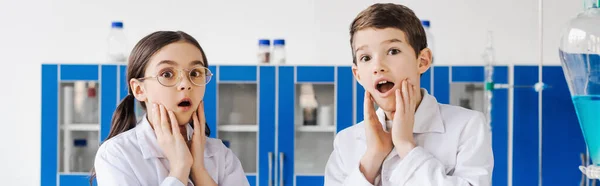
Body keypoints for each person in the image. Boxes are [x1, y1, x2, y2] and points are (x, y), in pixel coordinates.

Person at [324, 3, 494, 186]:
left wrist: (406, 146)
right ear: (358, 75)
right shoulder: (346, 142)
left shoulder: (467, 126)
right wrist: (373, 157)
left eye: (393, 51)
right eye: (366, 57)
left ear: (422, 61)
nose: (377, 66)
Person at [91, 31, 250, 186]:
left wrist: (198, 170)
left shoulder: (220, 154)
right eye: (167, 74)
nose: (186, 84)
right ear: (139, 90)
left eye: (195, 73)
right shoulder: (117, 154)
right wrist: (180, 168)